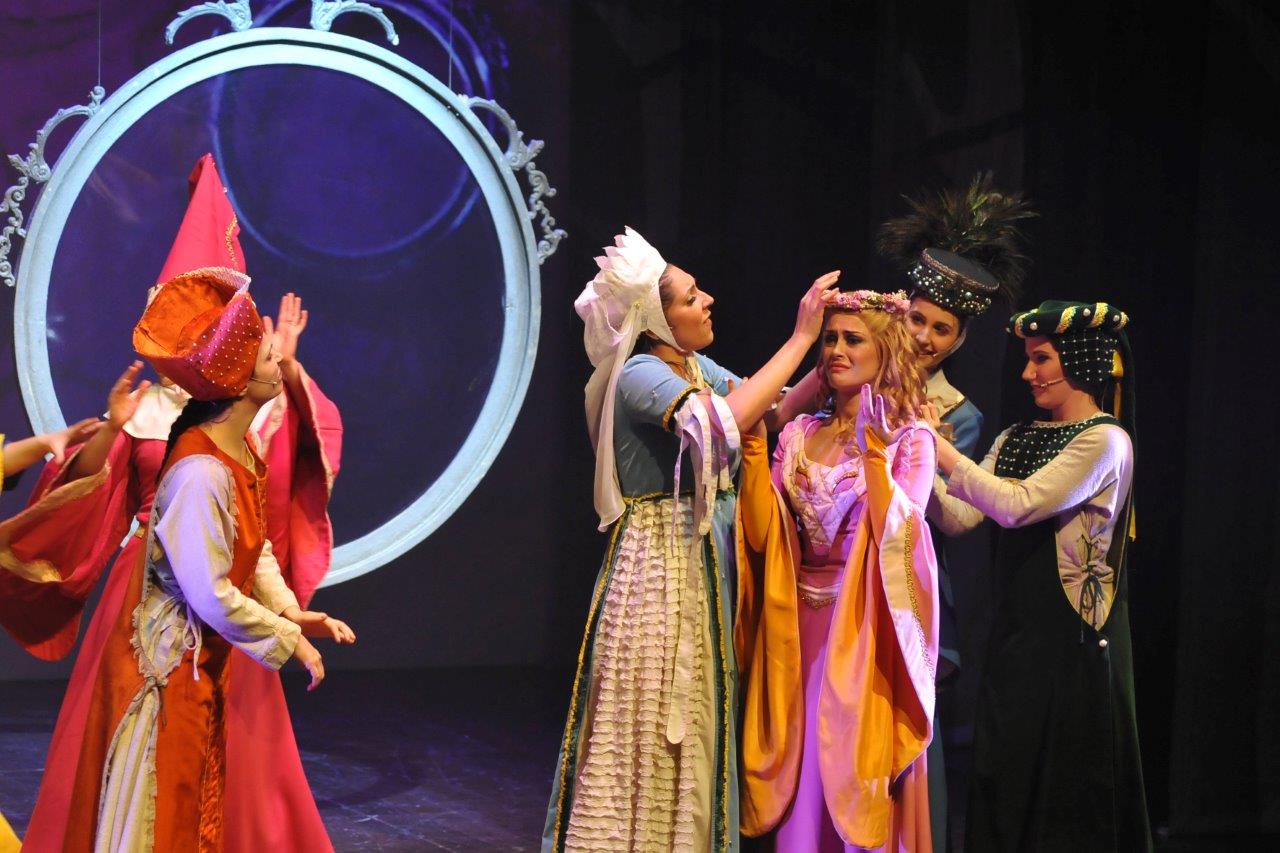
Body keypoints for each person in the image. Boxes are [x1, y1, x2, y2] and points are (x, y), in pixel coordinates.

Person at [0, 154, 343, 851]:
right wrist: (110, 428)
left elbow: (254, 533)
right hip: (160, 607)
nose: (271, 364)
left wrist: (283, 610)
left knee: (218, 762)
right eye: (262, 357)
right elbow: (128, 514)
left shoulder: (233, 435)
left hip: (225, 609)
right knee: (155, 772)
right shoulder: (179, 440)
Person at [544, 227, 839, 852]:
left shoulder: (694, 367)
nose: (707, 301)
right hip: (662, 565)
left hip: (703, 558)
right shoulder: (640, 373)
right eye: (690, 297)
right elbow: (724, 423)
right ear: (656, 319)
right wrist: (801, 337)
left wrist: (830, 354)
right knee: (656, 713)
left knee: (699, 708)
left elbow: (770, 410)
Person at [927, 300, 1151, 851]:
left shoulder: (1104, 440)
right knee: (1007, 768)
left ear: (1081, 361)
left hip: (1073, 639)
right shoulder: (1017, 436)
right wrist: (913, 462)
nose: (1028, 373)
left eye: (1042, 359)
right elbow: (960, 518)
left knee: (1067, 780)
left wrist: (942, 452)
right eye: (1028, 359)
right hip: (1019, 633)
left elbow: (1018, 505)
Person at [735, 290, 939, 851]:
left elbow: (901, 540)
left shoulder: (911, 439)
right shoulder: (799, 432)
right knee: (800, 770)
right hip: (796, 627)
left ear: (885, 350)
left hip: (863, 628)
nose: (836, 351)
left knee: (851, 760)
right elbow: (765, 534)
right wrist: (754, 448)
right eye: (830, 338)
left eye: (853, 339)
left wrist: (874, 453)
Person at [876, 172, 1033, 849]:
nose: (926, 337)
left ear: (960, 339)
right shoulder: (856, 370)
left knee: (913, 734)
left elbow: (952, 521)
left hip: (908, 583)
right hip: (839, 569)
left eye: (942, 329)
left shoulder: (957, 415)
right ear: (899, 312)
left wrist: (923, 447)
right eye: (918, 319)